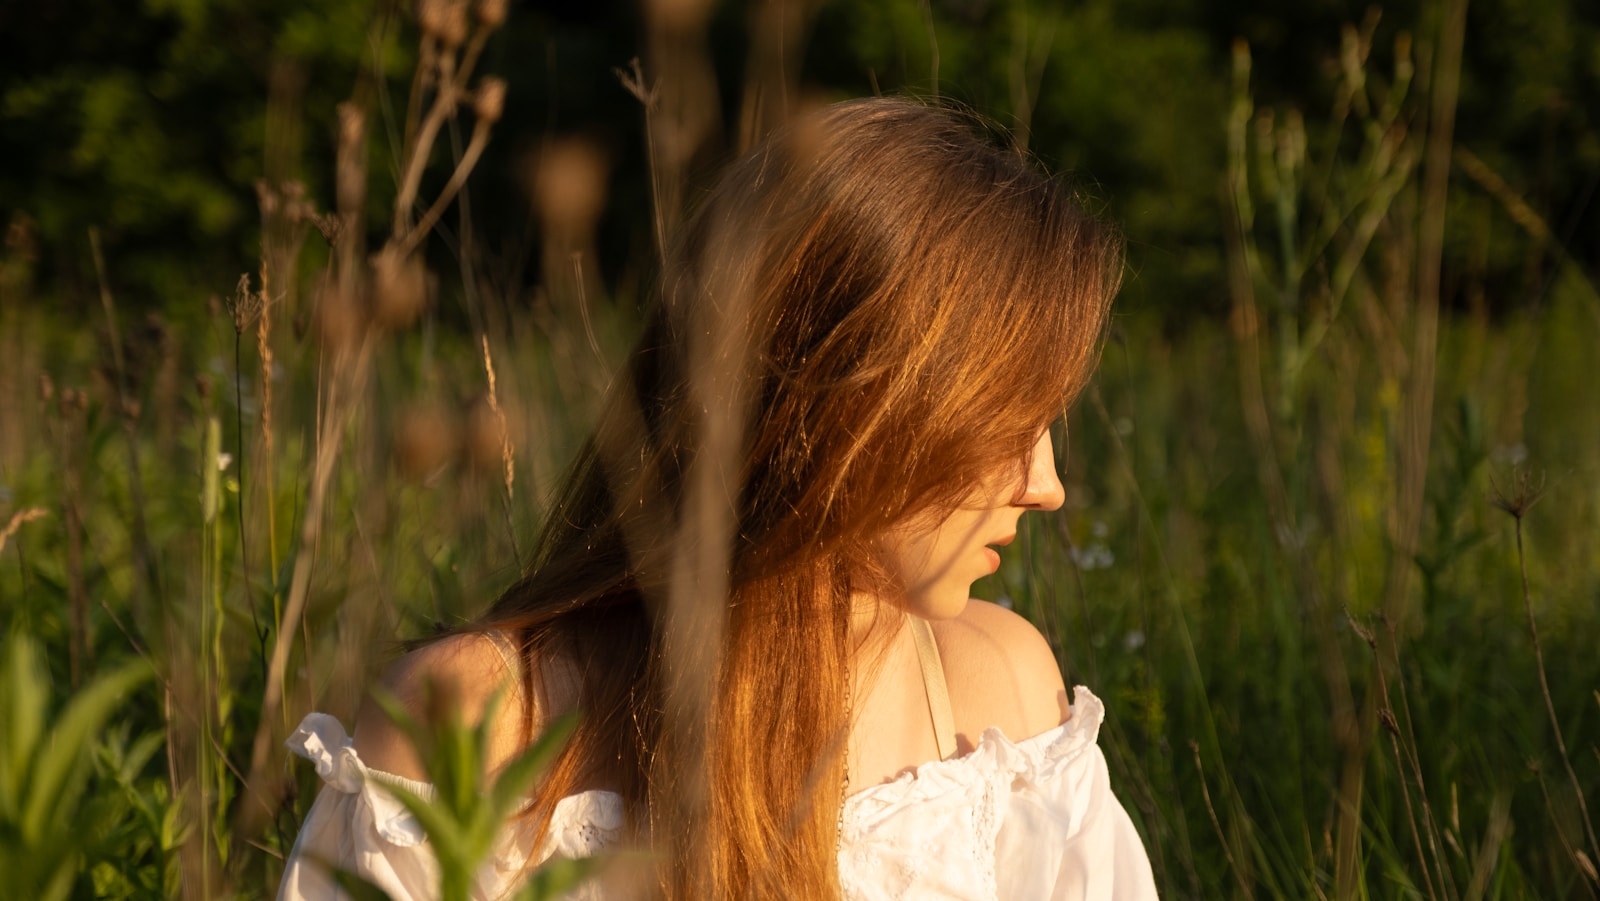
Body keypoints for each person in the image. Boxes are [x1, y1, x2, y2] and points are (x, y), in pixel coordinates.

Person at [278, 97, 1158, 900]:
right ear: (850, 409)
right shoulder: (485, 725)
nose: (1046, 486)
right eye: (1001, 425)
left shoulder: (996, 709)